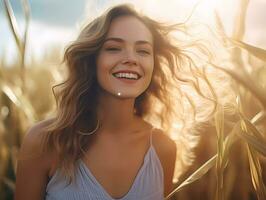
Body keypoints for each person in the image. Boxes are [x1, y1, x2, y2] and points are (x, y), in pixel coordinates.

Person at [14, 3, 211, 200]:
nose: (131, 59)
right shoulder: (45, 142)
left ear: (153, 64)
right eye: (114, 48)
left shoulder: (163, 149)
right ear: (92, 60)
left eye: (143, 51)